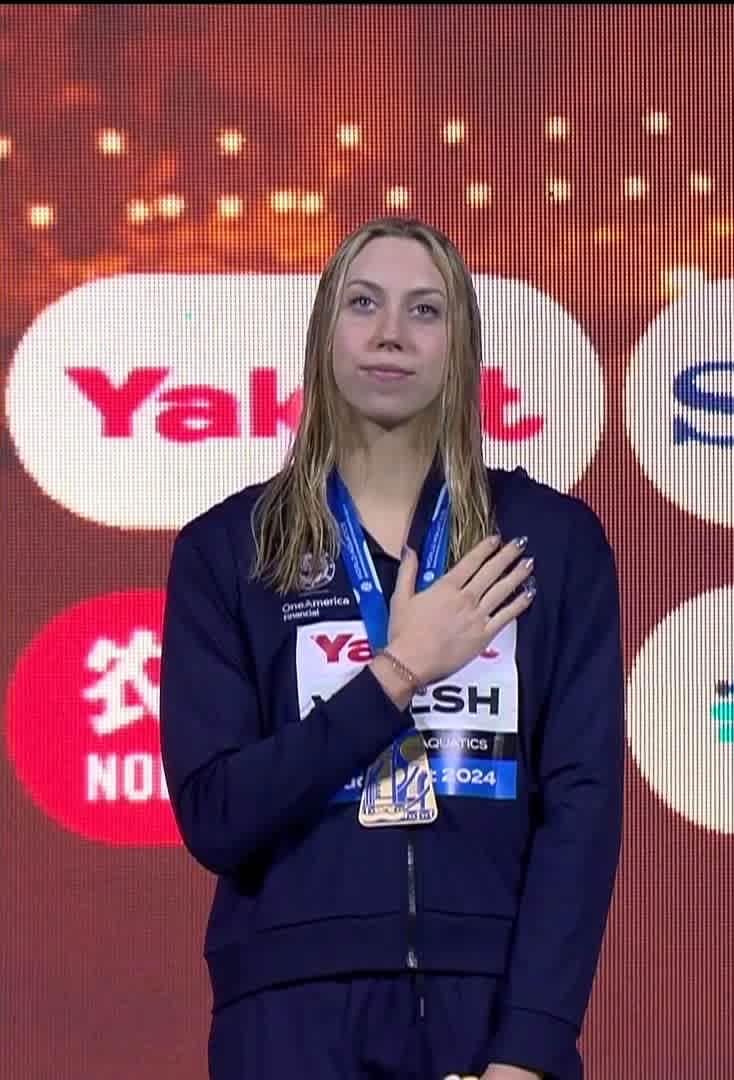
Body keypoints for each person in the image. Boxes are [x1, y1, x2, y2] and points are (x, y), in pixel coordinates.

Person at [159, 217, 624, 1080]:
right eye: (364, 303)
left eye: (425, 310)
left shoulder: (548, 544)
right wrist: (396, 674)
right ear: (324, 334)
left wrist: (530, 1046)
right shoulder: (231, 550)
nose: (390, 334)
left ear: (461, 345)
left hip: (487, 1010)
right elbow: (218, 817)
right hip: (288, 1014)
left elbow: (581, 813)